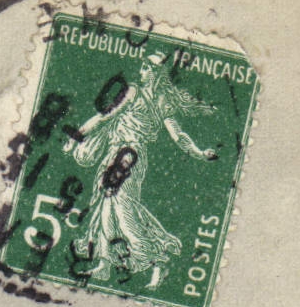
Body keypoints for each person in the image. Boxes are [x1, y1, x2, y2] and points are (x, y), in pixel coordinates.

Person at [61, 51, 220, 290]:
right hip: (115, 154)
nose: (141, 71)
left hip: (129, 158)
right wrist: (77, 136)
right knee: (106, 206)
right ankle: (104, 264)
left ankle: (157, 261)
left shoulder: (159, 100)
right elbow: (106, 116)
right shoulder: (135, 92)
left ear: (156, 74)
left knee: (124, 209)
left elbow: (178, 135)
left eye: (146, 68)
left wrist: (198, 152)